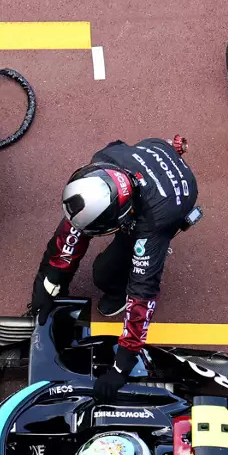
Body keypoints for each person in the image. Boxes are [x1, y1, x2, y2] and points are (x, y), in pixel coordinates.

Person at [29, 137, 199, 403]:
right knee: (80, 229)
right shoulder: (104, 159)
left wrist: (122, 365)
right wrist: (49, 279)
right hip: (146, 157)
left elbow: (143, 293)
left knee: (105, 274)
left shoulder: (154, 221)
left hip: (171, 200)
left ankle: (122, 271)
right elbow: (73, 230)